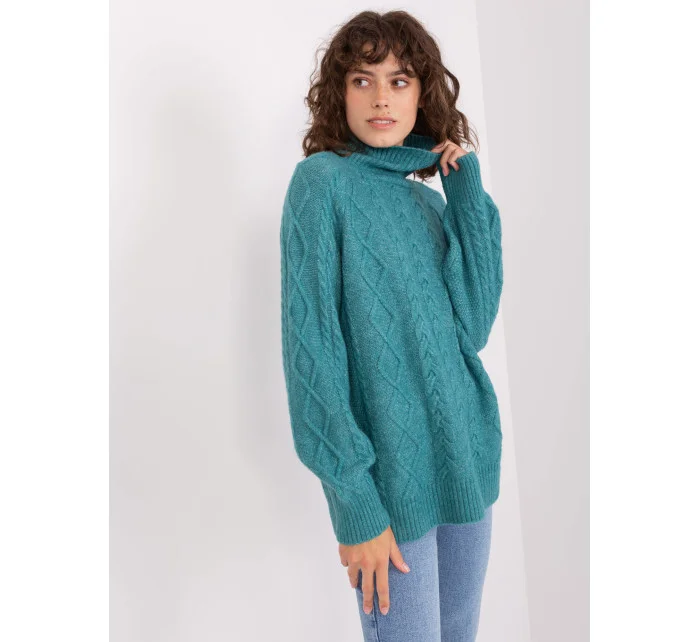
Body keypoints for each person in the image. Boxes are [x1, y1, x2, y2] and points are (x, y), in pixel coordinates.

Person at [279, 10, 503, 642]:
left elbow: (474, 325)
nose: (381, 97)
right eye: (363, 79)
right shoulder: (322, 184)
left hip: (467, 468)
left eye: (400, 80)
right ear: (341, 93)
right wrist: (354, 502)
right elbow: (312, 350)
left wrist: (466, 197)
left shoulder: (427, 202)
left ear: (421, 94)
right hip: (389, 490)